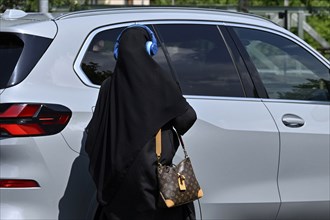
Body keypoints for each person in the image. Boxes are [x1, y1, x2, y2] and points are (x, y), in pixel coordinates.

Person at [85, 25, 197, 220]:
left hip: (115, 180)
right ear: (149, 49)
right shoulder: (160, 81)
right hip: (152, 174)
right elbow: (187, 118)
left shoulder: (108, 87)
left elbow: (94, 134)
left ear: (118, 51)